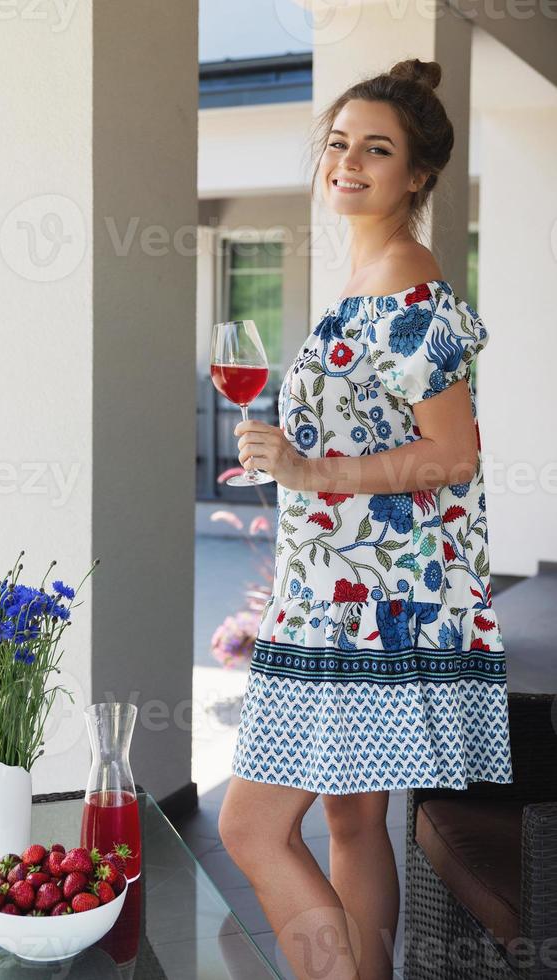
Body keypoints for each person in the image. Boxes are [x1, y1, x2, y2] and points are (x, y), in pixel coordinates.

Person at [218, 57, 514, 980]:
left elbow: (454, 452)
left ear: (418, 175)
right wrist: (292, 458)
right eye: (339, 144)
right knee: (350, 816)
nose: (348, 162)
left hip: (367, 607)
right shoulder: (367, 277)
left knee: (251, 827)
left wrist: (311, 467)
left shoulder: (407, 290)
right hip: (346, 594)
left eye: (375, 149)